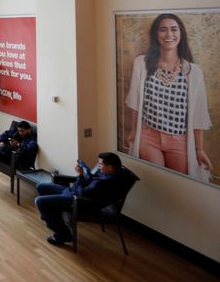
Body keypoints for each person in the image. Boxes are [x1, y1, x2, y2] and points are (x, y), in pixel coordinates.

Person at [124, 13, 213, 181]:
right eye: (163, 30)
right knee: (156, 182)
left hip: (179, 140)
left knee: (178, 185)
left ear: (181, 34)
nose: (169, 35)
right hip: (148, 136)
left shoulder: (193, 71)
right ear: (156, 35)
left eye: (174, 29)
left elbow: (199, 113)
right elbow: (135, 101)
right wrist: (133, 131)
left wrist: (199, 149)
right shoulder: (141, 64)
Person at [34, 152, 124, 245]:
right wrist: (85, 172)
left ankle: (63, 234)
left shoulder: (105, 182)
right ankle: (51, 218)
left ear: (110, 167)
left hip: (77, 201)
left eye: (100, 164)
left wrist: (81, 175)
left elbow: (81, 192)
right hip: (71, 192)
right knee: (41, 186)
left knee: (39, 201)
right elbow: (88, 184)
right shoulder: (104, 173)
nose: (98, 165)